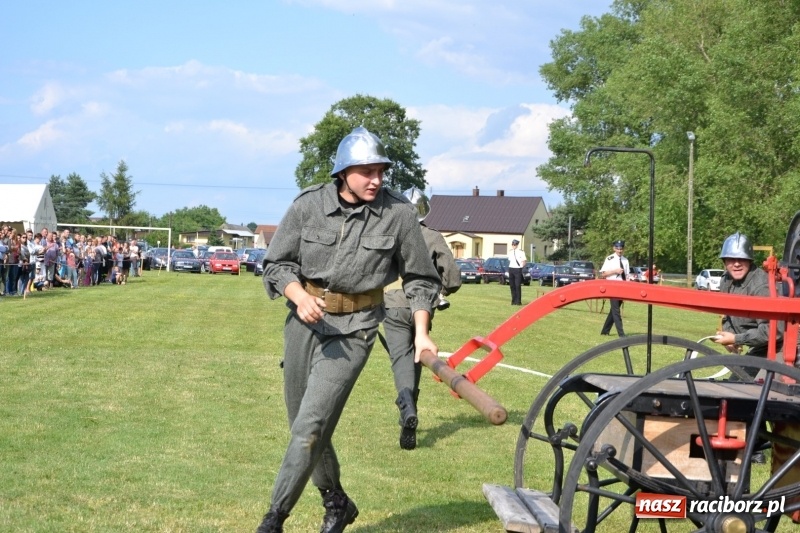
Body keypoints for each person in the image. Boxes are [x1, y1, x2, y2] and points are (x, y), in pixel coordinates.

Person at [256, 126, 441, 533]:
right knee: (302, 423)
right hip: (304, 322)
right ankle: (336, 502)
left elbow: (421, 278)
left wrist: (422, 331)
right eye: (367, 172)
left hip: (356, 329)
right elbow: (276, 264)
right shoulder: (308, 205)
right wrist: (298, 295)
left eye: (381, 172)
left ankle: (273, 520)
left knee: (310, 425)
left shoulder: (399, 214)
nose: (376, 180)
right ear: (343, 172)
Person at [381, 188, 462, 451]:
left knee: (401, 359)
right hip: (424, 305)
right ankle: (410, 406)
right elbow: (453, 277)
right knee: (418, 355)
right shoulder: (433, 236)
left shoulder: (388, 233)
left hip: (392, 304)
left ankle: (407, 406)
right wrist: (441, 291)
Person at [712, 232, 773, 357]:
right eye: (731, 259)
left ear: (749, 261)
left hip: (781, 347)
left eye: (741, 259)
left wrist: (736, 339)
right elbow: (727, 315)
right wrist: (729, 334)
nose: (736, 264)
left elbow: (770, 331)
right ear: (724, 261)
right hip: (759, 348)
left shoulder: (761, 286)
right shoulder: (726, 281)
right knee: (737, 370)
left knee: (749, 371)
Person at [599, 239, 630, 336]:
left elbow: (627, 276)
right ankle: (621, 334)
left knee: (613, 310)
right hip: (612, 286)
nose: (619, 250)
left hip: (622, 287)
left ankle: (605, 331)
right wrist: (615, 271)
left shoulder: (625, 260)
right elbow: (603, 274)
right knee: (616, 311)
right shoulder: (609, 259)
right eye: (618, 248)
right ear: (614, 248)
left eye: (621, 249)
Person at [507, 239, 526, 305]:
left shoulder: (521, 252)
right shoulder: (510, 252)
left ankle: (518, 301)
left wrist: (521, 267)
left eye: (514, 244)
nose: (513, 246)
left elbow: (524, 261)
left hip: (518, 269)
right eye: (512, 244)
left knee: (517, 285)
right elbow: (509, 260)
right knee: (512, 285)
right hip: (511, 268)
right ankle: (513, 301)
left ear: (517, 245)